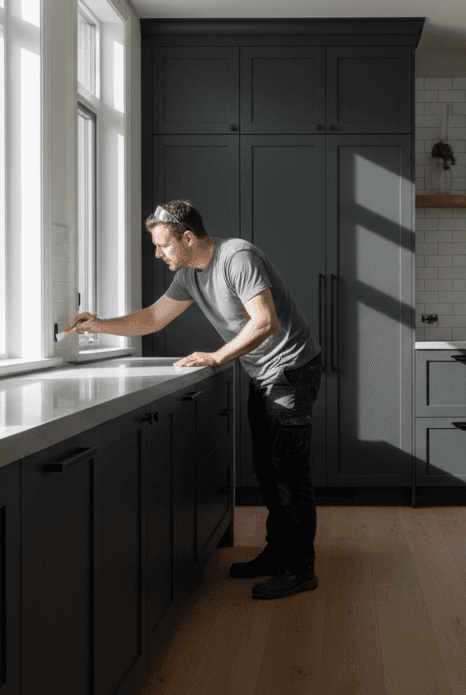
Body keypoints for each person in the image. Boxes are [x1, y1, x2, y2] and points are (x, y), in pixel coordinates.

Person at [69, 200, 322, 600]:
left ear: (188, 238)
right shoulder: (189, 275)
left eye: (163, 245)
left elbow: (266, 321)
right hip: (264, 373)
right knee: (267, 470)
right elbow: (153, 319)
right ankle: (279, 555)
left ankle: (299, 569)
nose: (157, 254)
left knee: (288, 474)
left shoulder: (236, 257)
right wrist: (98, 324)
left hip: (292, 371)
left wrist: (218, 356)